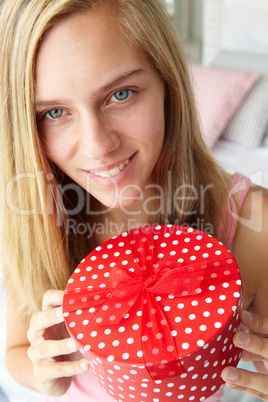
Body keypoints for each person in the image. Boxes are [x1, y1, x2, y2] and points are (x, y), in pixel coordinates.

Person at [0, 0, 267, 401]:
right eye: (55, 112)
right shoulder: (35, 218)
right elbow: (17, 351)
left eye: (121, 94)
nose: (97, 147)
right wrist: (42, 374)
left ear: (168, 84)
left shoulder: (251, 220)